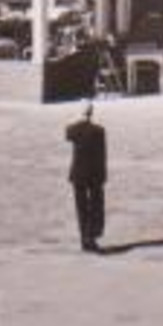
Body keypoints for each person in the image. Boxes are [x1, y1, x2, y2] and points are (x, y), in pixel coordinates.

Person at [64, 103, 107, 252]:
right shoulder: (99, 131)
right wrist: (103, 175)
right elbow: (102, 156)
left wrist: (78, 119)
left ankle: (84, 237)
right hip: (95, 174)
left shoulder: (73, 130)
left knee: (81, 207)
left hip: (78, 174)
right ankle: (91, 236)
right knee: (95, 206)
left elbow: (68, 132)